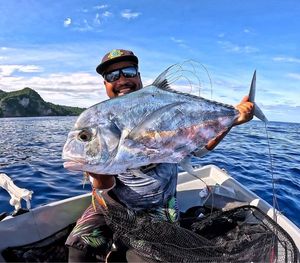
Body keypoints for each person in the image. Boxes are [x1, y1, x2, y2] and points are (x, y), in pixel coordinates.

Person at [65, 49, 254, 262]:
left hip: (158, 210)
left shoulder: (166, 111)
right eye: (112, 75)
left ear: (138, 75)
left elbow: (200, 149)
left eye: (128, 71)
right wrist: (96, 168)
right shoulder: (98, 117)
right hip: (110, 207)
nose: (121, 79)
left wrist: (233, 118)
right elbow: (103, 185)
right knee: (78, 251)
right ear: (105, 84)